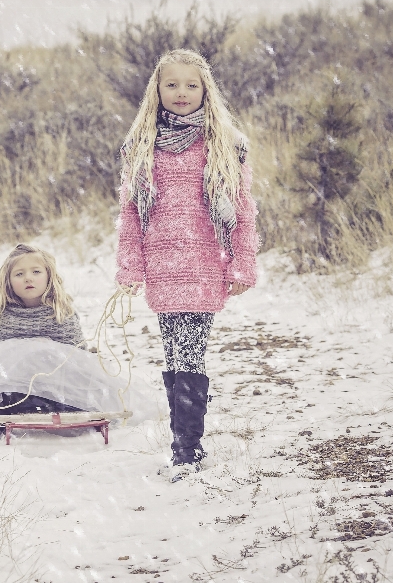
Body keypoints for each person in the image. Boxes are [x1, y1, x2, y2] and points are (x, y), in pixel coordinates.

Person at [115, 49, 259, 482]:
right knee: (173, 350)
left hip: (202, 262)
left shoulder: (227, 144)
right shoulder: (140, 144)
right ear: (156, 90)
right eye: (171, 84)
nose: (181, 93)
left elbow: (243, 209)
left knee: (190, 351)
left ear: (205, 90)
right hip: (162, 262)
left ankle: (187, 447)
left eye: (191, 85)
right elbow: (130, 213)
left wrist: (241, 264)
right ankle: (184, 442)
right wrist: (130, 266)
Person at [0, 244, 86, 439]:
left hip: (55, 388)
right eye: (19, 274)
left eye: (36, 271)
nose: (28, 278)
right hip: (13, 393)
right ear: (8, 282)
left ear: (49, 277)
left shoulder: (61, 317)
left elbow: (78, 359)